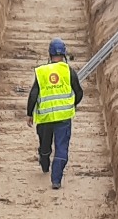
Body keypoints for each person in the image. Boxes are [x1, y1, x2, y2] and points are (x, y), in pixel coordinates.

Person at [27, 38, 83, 191]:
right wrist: (71, 105)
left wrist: (29, 113)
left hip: (45, 118)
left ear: (50, 53)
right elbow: (79, 92)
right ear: (64, 53)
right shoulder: (68, 71)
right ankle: (56, 179)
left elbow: (33, 95)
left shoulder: (42, 72)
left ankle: (45, 163)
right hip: (64, 118)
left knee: (44, 145)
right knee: (62, 147)